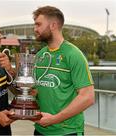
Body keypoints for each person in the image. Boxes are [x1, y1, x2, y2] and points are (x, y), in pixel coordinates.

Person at [32, 6, 95, 135]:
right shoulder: (40, 55)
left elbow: (88, 97)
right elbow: (35, 91)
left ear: (53, 25)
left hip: (67, 131)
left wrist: (54, 119)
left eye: (38, 24)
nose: (35, 29)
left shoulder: (73, 54)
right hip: (40, 129)